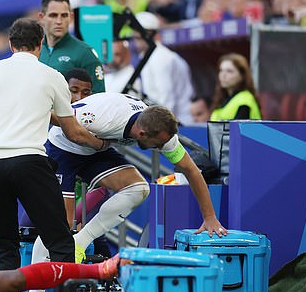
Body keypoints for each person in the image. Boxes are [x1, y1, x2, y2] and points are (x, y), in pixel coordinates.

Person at [0, 18, 111, 292]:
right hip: (29, 160)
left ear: (11, 45)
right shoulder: (52, 75)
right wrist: (100, 143)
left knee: (5, 245)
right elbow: (72, 130)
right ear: (40, 45)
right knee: (60, 241)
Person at [30, 90, 228, 270]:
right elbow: (53, 116)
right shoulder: (104, 118)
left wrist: (210, 217)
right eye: (157, 145)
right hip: (63, 146)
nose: (161, 148)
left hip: (95, 149)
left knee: (139, 188)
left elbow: (192, 171)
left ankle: (80, 242)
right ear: (141, 134)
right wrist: (95, 143)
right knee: (59, 226)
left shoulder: (161, 131)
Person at [133, 11, 195, 126]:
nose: (136, 37)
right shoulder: (148, 55)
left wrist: (155, 127)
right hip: (166, 122)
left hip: (176, 124)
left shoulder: (161, 57)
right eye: (135, 33)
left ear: (153, 34)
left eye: (140, 33)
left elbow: (166, 99)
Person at [38, 0, 105, 94]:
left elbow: (99, 96)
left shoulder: (85, 53)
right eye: (53, 15)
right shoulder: (34, 51)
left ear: (71, 18)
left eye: (64, 15)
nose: (59, 21)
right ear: (42, 18)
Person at [210, 53, 261, 121]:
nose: (223, 75)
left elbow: (239, 130)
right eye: (221, 70)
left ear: (242, 75)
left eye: (229, 71)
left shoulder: (244, 100)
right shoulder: (223, 99)